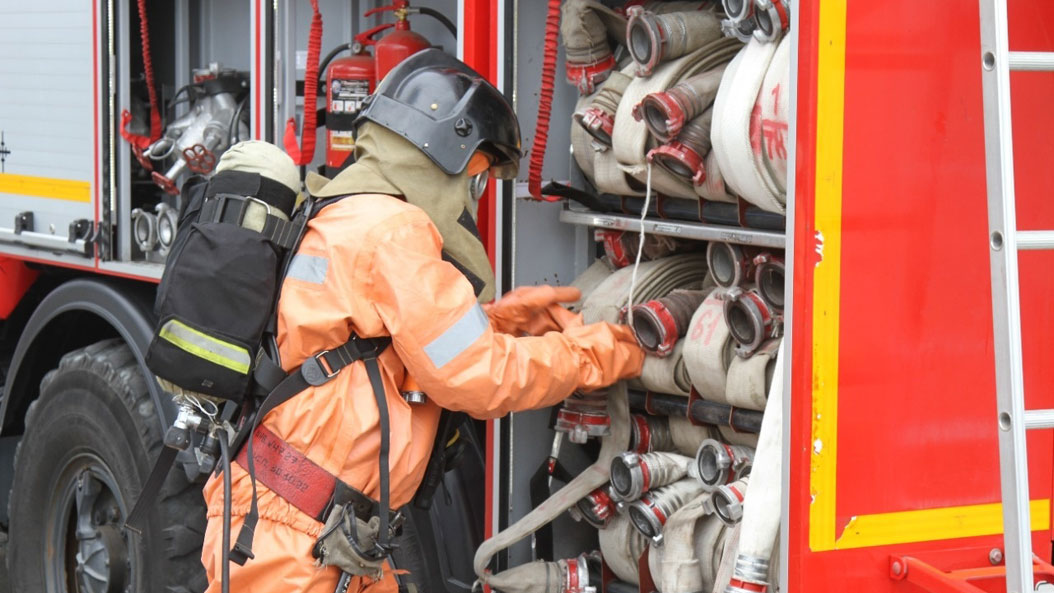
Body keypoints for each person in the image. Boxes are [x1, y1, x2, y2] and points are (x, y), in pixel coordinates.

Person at [199, 49, 644, 593]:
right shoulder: (395, 229)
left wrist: (497, 321)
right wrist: (598, 353)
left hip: (304, 529)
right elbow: (478, 376)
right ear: (441, 155)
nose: (472, 196)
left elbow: (375, 343)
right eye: (476, 176)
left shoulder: (340, 209)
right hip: (300, 542)